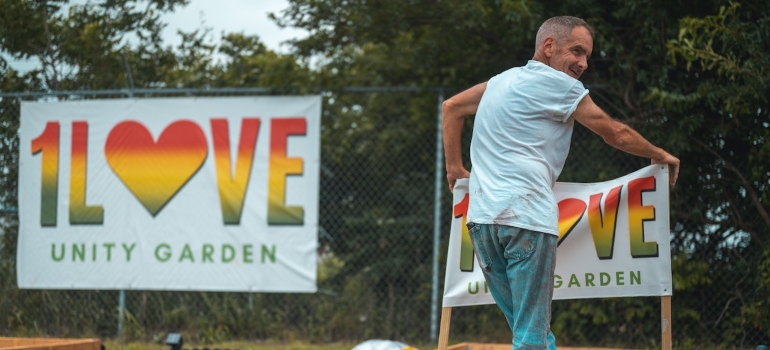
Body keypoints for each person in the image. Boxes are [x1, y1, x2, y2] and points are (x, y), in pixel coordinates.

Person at [441, 16, 680, 350]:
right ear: (549, 46)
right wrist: (660, 154)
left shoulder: (500, 81)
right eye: (577, 51)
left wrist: (455, 169)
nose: (583, 64)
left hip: (482, 224)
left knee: (529, 330)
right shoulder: (561, 85)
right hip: (526, 221)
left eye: (587, 57)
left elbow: (451, 108)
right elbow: (614, 132)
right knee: (530, 336)